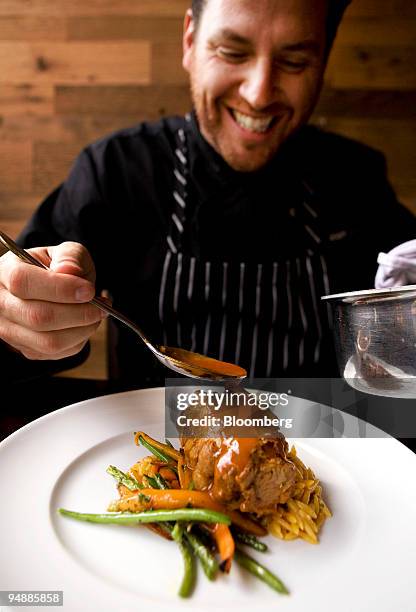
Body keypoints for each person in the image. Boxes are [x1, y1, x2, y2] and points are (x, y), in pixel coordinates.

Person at [0, 0, 415, 391]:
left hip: (319, 449)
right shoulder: (117, 171)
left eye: (294, 61)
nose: (258, 93)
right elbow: (17, 339)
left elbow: (400, 340)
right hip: (158, 453)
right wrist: (24, 322)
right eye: (233, 52)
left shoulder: (356, 179)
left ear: (323, 61)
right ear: (190, 42)